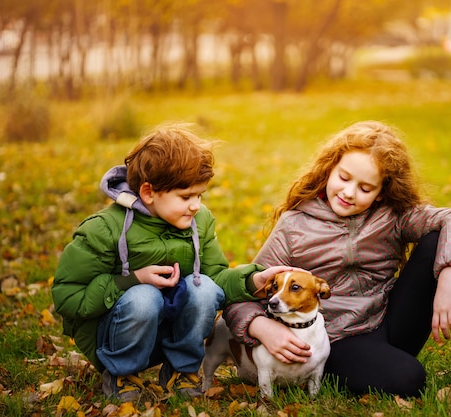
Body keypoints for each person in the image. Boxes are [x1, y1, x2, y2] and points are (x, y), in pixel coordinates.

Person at [223, 120, 451, 399]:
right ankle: (334, 372)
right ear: (330, 168)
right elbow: (244, 293)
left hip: (390, 320)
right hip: (335, 340)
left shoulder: (392, 216)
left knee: (438, 245)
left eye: (365, 188)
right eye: (343, 178)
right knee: (409, 380)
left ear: (380, 193)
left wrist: (449, 278)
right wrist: (261, 327)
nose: (349, 193)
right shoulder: (294, 226)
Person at [52, 124, 293, 401]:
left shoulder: (198, 220)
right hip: (115, 337)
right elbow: (68, 297)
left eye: (200, 195)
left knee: (204, 290)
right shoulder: (104, 230)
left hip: (166, 330)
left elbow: (215, 277)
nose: (195, 205)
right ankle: (121, 375)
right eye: (186, 196)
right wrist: (133, 279)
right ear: (148, 192)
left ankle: (181, 370)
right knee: (143, 297)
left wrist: (252, 280)